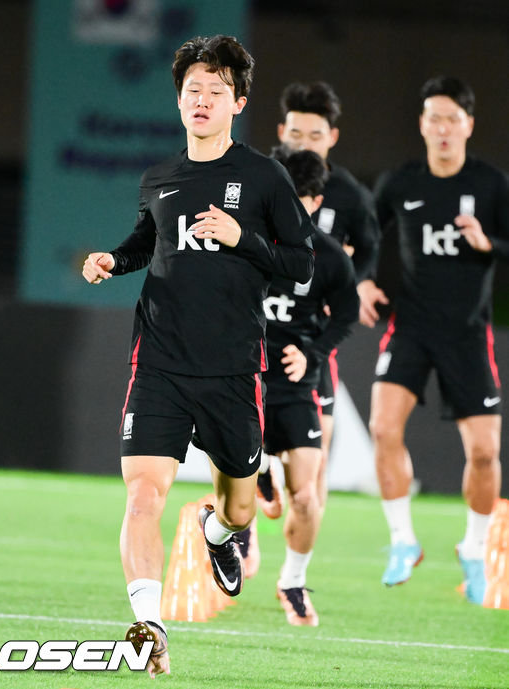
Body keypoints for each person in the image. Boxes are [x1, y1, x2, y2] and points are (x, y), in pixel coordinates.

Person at [82, 34, 314, 677]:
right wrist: (113, 260)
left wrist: (245, 238)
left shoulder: (265, 177)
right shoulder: (159, 177)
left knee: (241, 507)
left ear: (238, 101)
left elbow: (300, 268)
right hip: (157, 362)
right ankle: (148, 623)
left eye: (216, 91)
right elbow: (143, 241)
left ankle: (217, 532)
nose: (203, 101)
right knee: (142, 497)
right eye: (193, 91)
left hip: (234, 369)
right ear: (179, 102)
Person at [369, 76, 508, 604]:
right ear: (422, 125)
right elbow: (360, 233)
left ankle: (474, 547)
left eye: (453, 118)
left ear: (469, 125)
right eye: (434, 118)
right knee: (383, 428)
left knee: (485, 453)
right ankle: (403, 541)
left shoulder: (493, 185)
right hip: (411, 326)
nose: (444, 128)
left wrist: (488, 242)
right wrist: (360, 280)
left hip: (468, 334)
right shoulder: (400, 183)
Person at [270, 81, 384, 512]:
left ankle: (295, 572)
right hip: (258, 336)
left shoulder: (350, 196)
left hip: (310, 338)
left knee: (317, 456)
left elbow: (370, 248)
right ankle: (245, 536)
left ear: (332, 137)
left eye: (315, 136)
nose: (304, 144)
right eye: (295, 135)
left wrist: (361, 278)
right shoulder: (260, 182)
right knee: (240, 453)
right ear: (281, 131)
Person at [257, 147, 359, 625]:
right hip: (246, 378)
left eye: (300, 200)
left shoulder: (331, 257)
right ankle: (252, 479)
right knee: (240, 484)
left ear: (316, 202)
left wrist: (313, 352)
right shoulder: (249, 239)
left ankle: (293, 581)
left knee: (305, 497)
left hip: (299, 383)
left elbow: (348, 316)